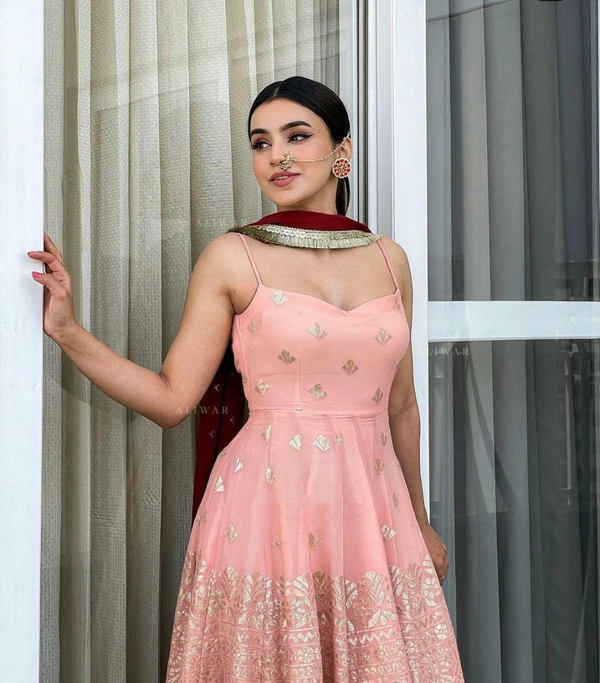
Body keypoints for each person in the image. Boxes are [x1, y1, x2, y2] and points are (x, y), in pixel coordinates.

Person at [28, 76, 465, 682]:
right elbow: (171, 399)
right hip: (268, 508)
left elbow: (402, 408)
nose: (277, 155)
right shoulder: (233, 256)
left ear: (342, 151)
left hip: (374, 514)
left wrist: (419, 519)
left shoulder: (391, 260)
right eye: (261, 143)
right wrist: (68, 330)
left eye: (297, 136)